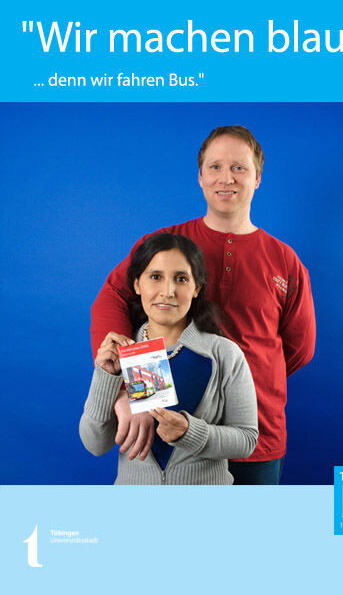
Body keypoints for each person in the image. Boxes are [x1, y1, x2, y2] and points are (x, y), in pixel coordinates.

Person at [91, 125, 316, 485]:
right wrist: (137, 388)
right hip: (170, 429)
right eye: (215, 167)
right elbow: (112, 299)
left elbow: (299, 349)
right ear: (200, 176)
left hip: (256, 436)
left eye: (239, 167)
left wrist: (235, 383)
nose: (226, 178)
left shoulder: (285, 261)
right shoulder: (166, 245)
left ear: (257, 178)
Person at [80, 233, 258, 485]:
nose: (168, 291)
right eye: (155, 277)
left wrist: (189, 432)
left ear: (196, 288)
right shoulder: (123, 354)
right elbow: (95, 444)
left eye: (181, 279)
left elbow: (247, 440)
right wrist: (105, 377)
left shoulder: (224, 353)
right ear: (137, 284)